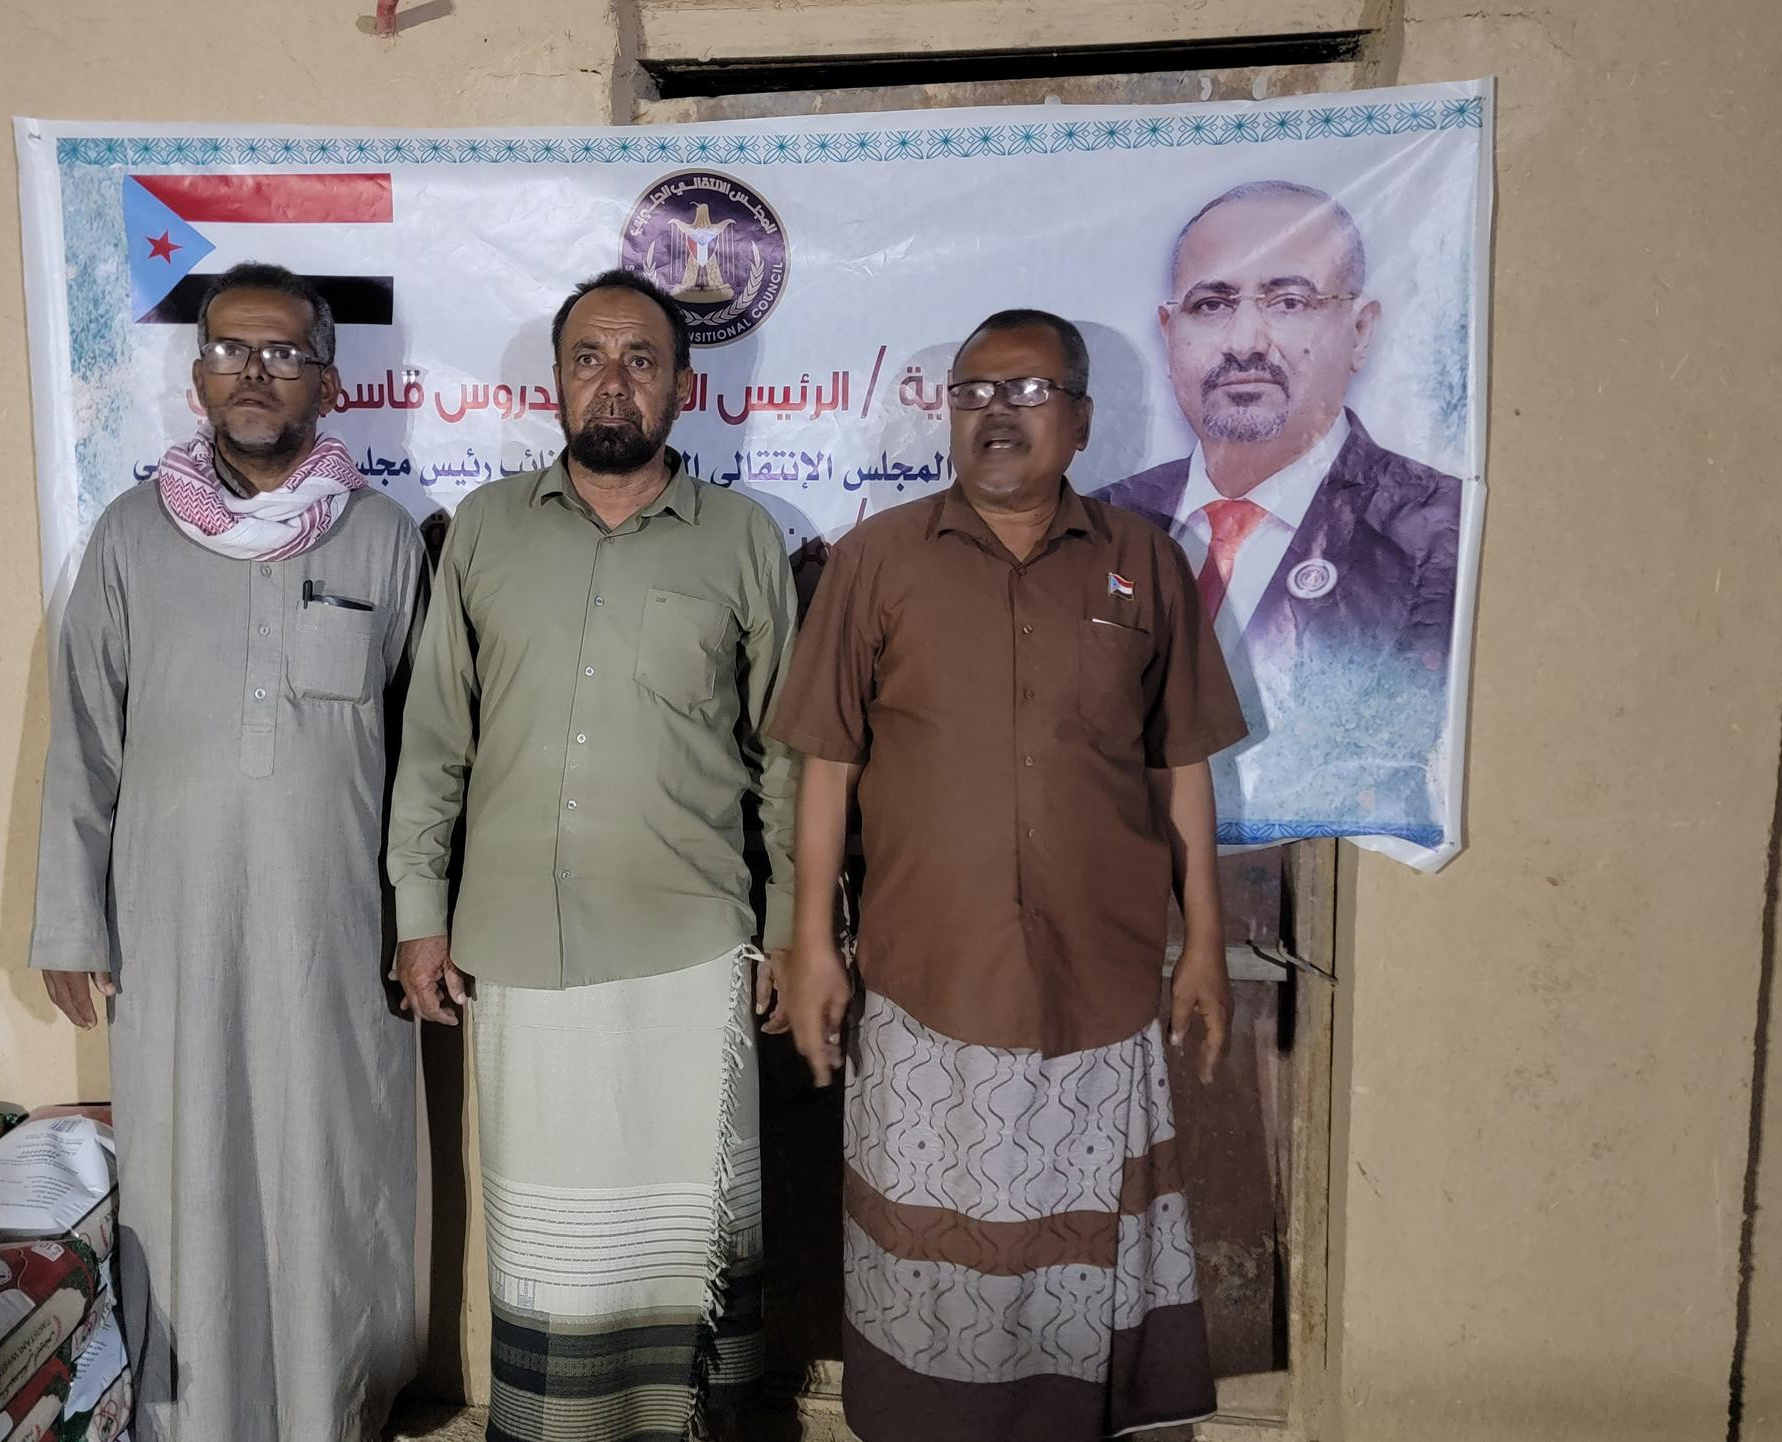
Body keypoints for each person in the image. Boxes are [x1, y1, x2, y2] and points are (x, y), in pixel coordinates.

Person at [773, 310, 1248, 1442]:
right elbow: (827, 767)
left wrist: (1204, 945)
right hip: (926, 989)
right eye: (975, 390)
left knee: (1080, 1284)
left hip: (1100, 994)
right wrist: (811, 946)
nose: (997, 411)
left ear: (1080, 421)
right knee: (929, 1285)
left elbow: (1179, 766)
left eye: (1029, 391)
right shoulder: (878, 559)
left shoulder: (1144, 561)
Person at [388, 269, 799, 1442]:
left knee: (685, 1242)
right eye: (588, 358)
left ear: (684, 388)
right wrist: (419, 913)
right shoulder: (485, 528)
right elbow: (436, 739)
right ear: (555, 383)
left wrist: (789, 930)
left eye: (640, 360)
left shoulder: (743, 537)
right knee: (550, 1256)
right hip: (520, 950)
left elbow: (788, 755)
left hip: (692, 956)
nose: (612, 382)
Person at [30, 262, 426, 1441]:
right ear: (197, 376)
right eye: (230, 351)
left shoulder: (382, 540)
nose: (256, 373)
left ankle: (331, 1414)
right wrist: (69, 918)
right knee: (188, 1173)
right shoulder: (129, 537)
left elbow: (426, 759)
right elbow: (83, 739)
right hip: (173, 931)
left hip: (336, 937)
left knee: (331, 1174)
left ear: (330, 381)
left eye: (285, 353)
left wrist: (421, 922)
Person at [1102, 179, 1461, 688]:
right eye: (1211, 305)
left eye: (1289, 302)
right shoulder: (1100, 525)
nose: (1244, 342)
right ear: (1169, 333)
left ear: (1359, 331)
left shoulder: (1440, 530)